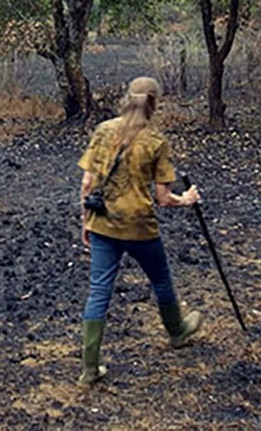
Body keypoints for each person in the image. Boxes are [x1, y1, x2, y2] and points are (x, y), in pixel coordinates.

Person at [76, 76, 203, 387]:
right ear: (154, 103)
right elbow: (163, 198)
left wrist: (86, 221)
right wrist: (186, 199)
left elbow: (87, 184)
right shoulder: (155, 142)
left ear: (126, 98)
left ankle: (89, 369)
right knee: (160, 278)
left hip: (104, 223)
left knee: (99, 290)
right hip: (139, 228)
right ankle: (176, 332)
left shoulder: (104, 130)